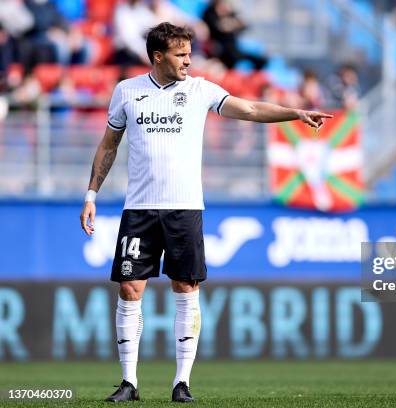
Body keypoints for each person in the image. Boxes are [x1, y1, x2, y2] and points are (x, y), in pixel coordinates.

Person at [79, 22, 331, 403]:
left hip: (185, 208)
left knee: (186, 288)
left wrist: (293, 112)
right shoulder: (127, 92)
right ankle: (129, 382)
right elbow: (109, 144)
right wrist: (91, 194)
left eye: (189, 53)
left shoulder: (200, 90)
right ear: (158, 56)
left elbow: (249, 108)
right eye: (181, 54)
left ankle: (182, 383)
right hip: (140, 210)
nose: (188, 61)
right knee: (130, 290)